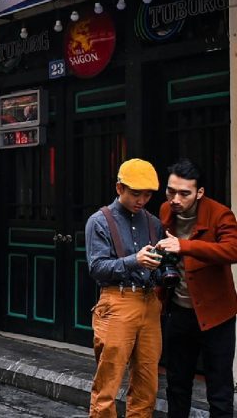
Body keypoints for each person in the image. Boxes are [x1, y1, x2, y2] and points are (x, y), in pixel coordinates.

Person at [153, 159, 237, 418]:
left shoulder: (219, 213)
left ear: (199, 193)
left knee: (219, 390)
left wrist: (185, 246)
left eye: (184, 193)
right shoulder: (166, 210)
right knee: (177, 386)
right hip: (179, 312)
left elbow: (232, 250)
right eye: (170, 191)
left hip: (217, 316)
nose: (175, 199)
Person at [84, 158, 164, 418]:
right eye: (135, 193)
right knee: (108, 382)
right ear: (120, 189)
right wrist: (134, 260)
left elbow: (161, 269)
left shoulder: (153, 223)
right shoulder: (99, 221)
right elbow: (97, 268)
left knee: (147, 382)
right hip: (116, 300)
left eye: (148, 194)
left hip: (149, 301)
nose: (141, 200)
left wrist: (163, 267)